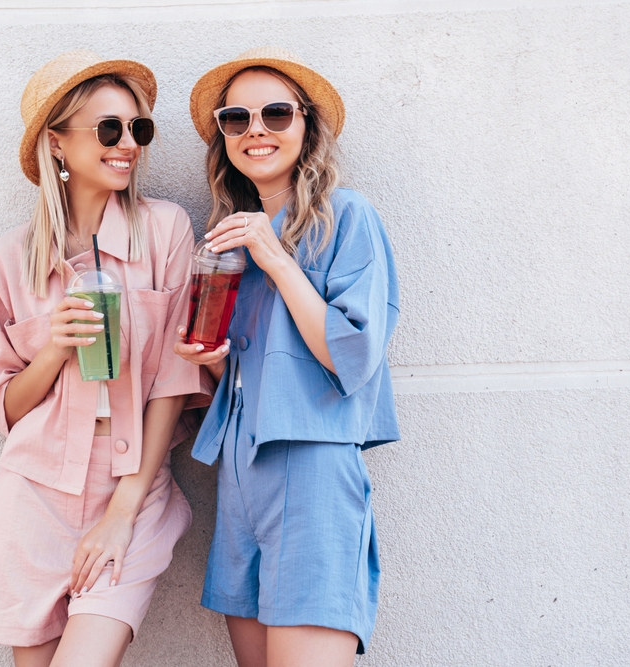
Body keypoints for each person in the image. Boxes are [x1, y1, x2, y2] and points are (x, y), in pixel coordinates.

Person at [0, 50, 208, 667]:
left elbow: (174, 381)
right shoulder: (8, 260)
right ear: (57, 142)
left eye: (138, 128)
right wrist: (53, 348)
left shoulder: (166, 231)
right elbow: (6, 406)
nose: (128, 143)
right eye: (109, 129)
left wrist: (124, 509)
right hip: (35, 494)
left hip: (132, 486)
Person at [174, 46, 400, 667]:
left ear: (307, 125)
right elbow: (254, 382)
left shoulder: (347, 218)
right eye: (236, 119)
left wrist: (274, 256)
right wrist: (214, 360)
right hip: (242, 477)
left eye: (276, 114)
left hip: (313, 471)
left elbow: (351, 357)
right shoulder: (227, 239)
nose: (256, 131)